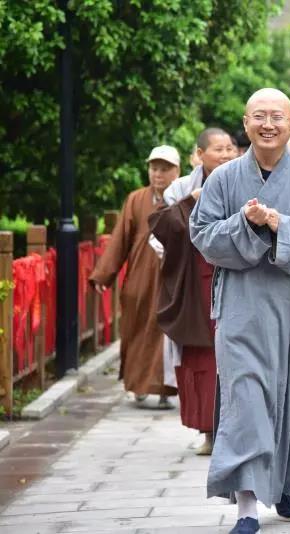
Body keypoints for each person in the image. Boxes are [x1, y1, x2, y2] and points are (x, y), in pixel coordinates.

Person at [190, 88, 290, 534]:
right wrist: (245, 223)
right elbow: (202, 235)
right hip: (242, 308)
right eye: (259, 116)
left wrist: (281, 225)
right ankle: (246, 505)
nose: (269, 124)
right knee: (248, 401)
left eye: (277, 116)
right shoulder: (222, 180)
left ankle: (283, 487)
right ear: (246, 124)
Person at [149, 128, 236, 456]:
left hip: (236, 279)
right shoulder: (181, 188)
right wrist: (191, 202)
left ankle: (237, 430)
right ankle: (208, 431)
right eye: (218, 149)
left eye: (230, 148)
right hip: (194, 284)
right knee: (202, 358)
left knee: (237, 356)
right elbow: (158, 236)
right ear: (199, 155)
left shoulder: (248, 181)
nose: (226, 154)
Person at [90, 146, 180, 408]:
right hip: (140, 279)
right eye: (154, 168)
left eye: (165, 169)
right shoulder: (136, 199)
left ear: (177, 171)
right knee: (136, 328)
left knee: (166, 332)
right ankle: (138, 384)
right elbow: (120, 239)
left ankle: (165, 388)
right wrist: (103, 275)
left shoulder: (183, 198)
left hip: (170, 278)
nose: (158, 175)